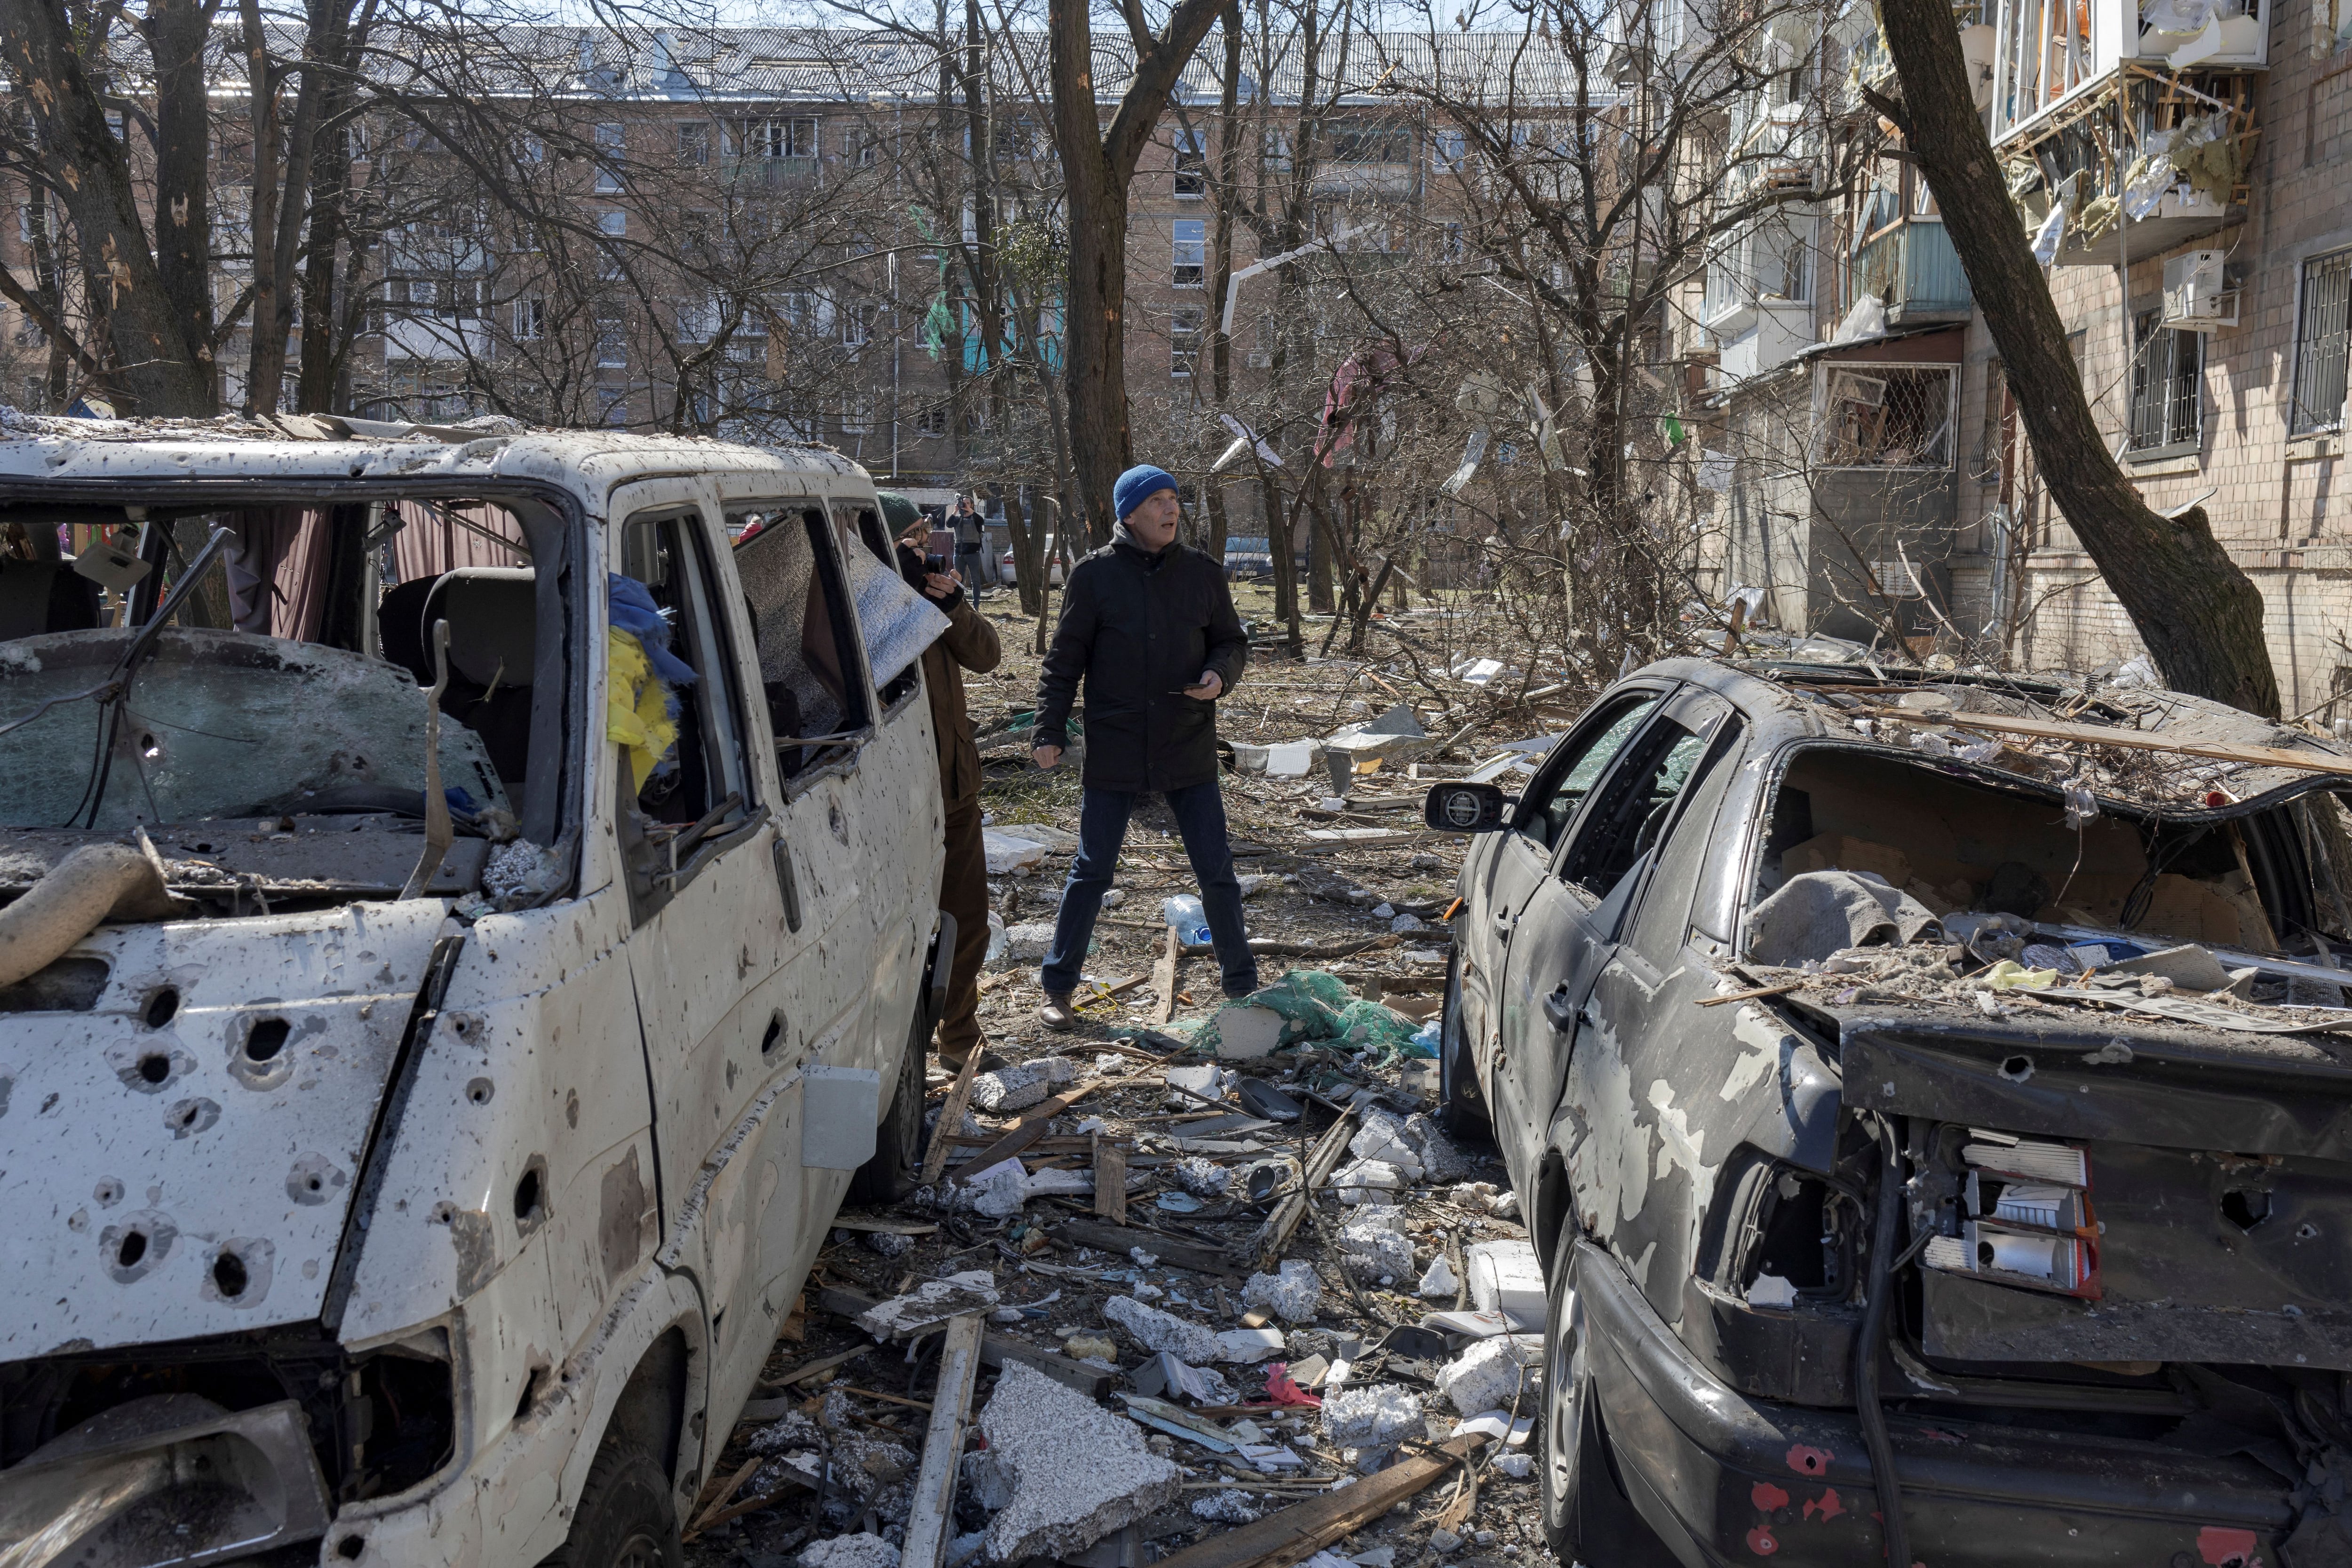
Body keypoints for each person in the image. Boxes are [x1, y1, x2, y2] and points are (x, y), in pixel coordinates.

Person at [1031, 465, 1253, 1028]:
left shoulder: (1202, 574)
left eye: (1174, 498)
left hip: (1187, 742)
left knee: (1216, 871)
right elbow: (1063, 664)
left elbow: (1230, 640)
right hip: (1118, 745)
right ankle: (1057, 988)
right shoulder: (1093, 577)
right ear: (1128, 512)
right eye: (1156, 500)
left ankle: (1241, 988)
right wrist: (1048, 730)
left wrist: (1218, 675)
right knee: (1091, 872)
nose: (1170, 509)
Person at [883, 490, 1004, 1071]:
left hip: (955, 787)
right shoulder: (854, 604)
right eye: (908, 541)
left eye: (922, 538)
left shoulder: (937, 599)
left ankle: (958, 1034)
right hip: (890, 803)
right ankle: (894, 1049)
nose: (921, 550)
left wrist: (953, 604)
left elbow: (987, 656)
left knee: (965, 921)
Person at [952, 495, 987, 597]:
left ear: (972, 505)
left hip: (973, 554)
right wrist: (955, 511)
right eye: (964, 503)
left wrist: (969, 510)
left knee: (975, 581)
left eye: (968, 503)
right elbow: (949, 524)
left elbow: (981, 521)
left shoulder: (975, 518)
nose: (965, 505)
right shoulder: (958, 518)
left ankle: (976, 606)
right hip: (959, 554)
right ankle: (959, 603)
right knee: (959, 580)